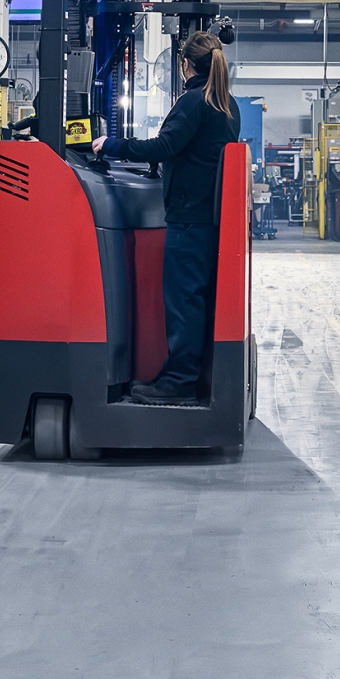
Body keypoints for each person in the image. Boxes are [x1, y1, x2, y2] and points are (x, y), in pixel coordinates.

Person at [91, 31, 241, 406]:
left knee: (183, 302)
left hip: (189, 220)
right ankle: (182, 375)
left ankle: (178, 383)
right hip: (206, 216)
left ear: (185, 64)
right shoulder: (227, 104)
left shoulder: (194, 101)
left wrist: (111, 144)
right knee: (193, 300)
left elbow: (165, 146)